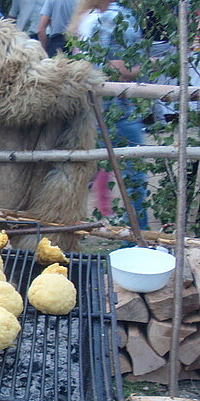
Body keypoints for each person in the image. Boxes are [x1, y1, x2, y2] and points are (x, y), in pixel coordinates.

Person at [74, 0, 148, 229]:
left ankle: (103, 219)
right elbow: (119, 68)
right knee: (133, 171)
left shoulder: (87, 17)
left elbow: (81, 59)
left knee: (95, 166)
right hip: (117, 105)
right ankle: (138, 231)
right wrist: (145, 66)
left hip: (91, 105)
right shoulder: (117, 18)